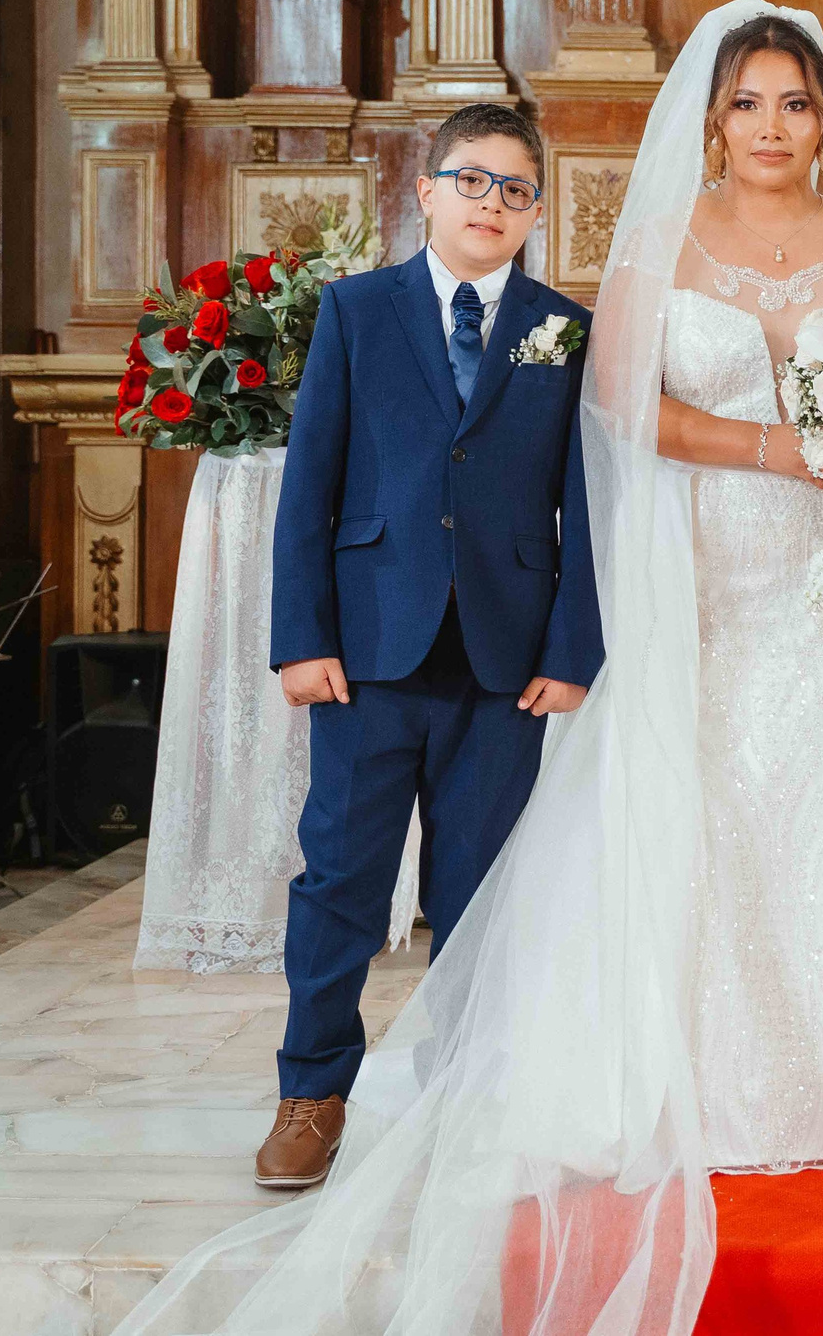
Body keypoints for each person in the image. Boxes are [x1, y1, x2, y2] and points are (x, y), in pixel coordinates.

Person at [119, 1, 823, 1336]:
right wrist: (775, 448)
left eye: (796, 104)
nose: (773, 127)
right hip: (696, 565)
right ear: (714, 117)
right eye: (750, 103)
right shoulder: (650, 245)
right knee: (607, 817)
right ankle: (323, 1083)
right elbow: (620, 410)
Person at [257, 100, 602, 1191]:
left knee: (482, 891)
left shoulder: (564, 328)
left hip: (504, 661)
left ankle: (469, 1091)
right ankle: (311, 1096)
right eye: (470, 180)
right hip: (368, 651)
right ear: (424, 189)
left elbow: (585, 504)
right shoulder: (359, 313)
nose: (490, 203)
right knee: (342, 884)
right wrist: (300, 637)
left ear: (536, 207)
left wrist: (573, 649)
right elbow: (309, 482)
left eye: (512, 188)